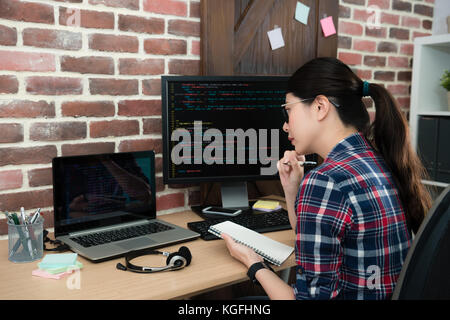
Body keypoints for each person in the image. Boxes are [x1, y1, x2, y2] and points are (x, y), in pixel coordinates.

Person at [222, 57, 432, 300]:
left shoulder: (327, 180)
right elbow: (316, 239)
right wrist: (293, 189)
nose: (285, 125)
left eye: (288, 110)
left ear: (320, 107)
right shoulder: (376, 159)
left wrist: (254, 263)